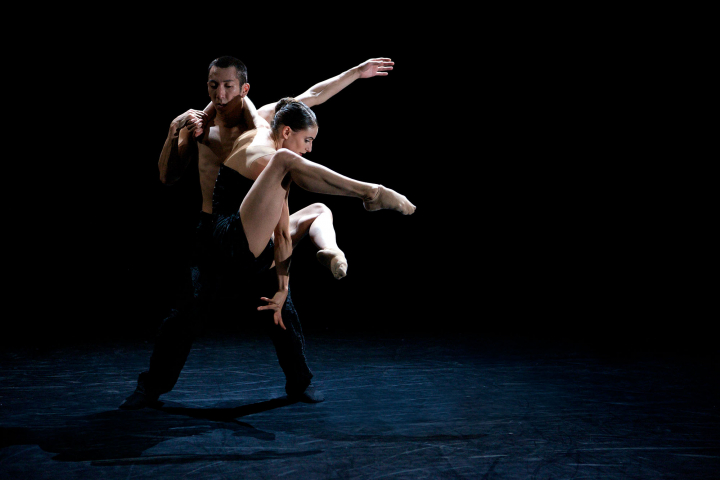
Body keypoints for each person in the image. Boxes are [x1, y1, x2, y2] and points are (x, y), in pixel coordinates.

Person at [119, 56, 412, 410]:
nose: (221, 94)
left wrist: (355, 73)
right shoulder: (200, 129)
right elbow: (167, 176)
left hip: (256, 228)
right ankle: (150, 388)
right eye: (213, 86)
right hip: (215, 234)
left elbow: (313, 95)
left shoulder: (266, 122)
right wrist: (172, 131)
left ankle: (300, 382)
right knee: (185, 316)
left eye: (229, 86)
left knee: (280, 310)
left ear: (244, 89)